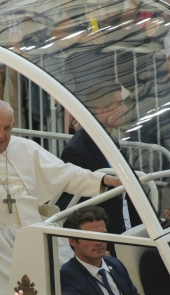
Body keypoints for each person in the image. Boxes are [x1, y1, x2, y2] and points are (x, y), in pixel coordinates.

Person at [0, 100, 121, 295]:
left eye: (7, 128)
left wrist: (102, 180)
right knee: (23, 284)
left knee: (65, 265)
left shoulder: (22, 147)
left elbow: (64, 172)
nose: (1, 135)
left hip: (27, 224)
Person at [58, 82, 141, 256]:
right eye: (119, 104)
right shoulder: (76, 150)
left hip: (127, 236)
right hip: (107, 245)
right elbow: (73, 208)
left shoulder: (111, 141)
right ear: (101, 110)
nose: (125, 108)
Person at [57, 206, 158, 295]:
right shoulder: (69, 273)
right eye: (91, 236)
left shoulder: (115, 264)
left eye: (103, 234)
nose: (99, 242)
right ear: (73, 241)